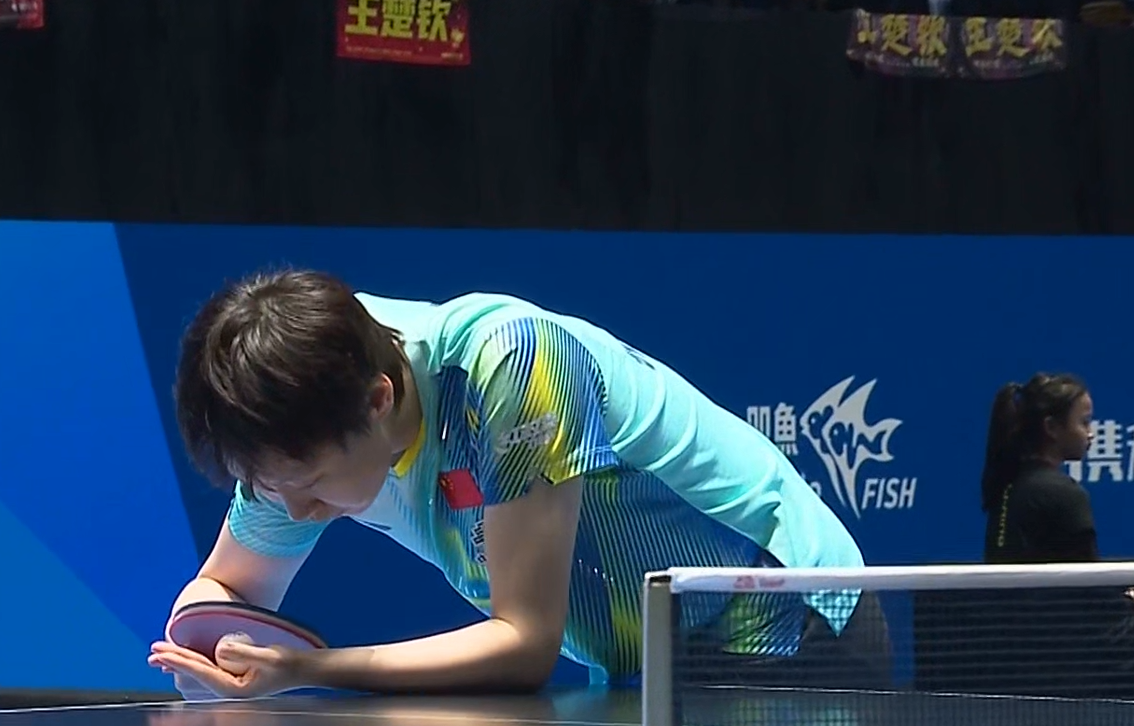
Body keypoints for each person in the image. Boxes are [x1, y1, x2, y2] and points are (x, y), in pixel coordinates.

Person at [149, 269, 891, 699]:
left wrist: (307, 670)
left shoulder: (513, 367)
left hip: (782, 624)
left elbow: (523, 644)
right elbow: (227, 592)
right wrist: (202, 646)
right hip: (644, 662)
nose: (297, 511)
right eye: (271, 487)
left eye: (310, 486)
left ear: (379, 401)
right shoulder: (296, 400)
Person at [977, 372, 1134, 699]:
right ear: (1051, 428)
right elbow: (1091, 594)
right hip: (1074, 661)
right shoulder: (1062, 495)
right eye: (1083, 422)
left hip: (1027, 657)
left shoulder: (1009, 487)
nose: (1091, 433)